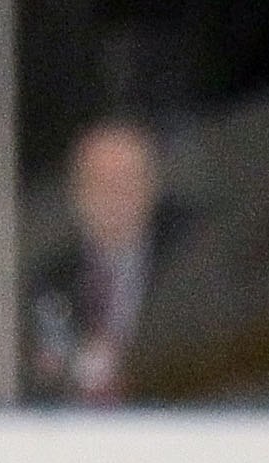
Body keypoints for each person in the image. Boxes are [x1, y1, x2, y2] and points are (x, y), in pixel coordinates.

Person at [26, 120, 174, 404]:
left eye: (127, 179)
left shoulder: (190, 264)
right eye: (99, 181)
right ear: (76, 191)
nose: (114, 195)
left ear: (152, 187)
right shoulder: (46, 280)